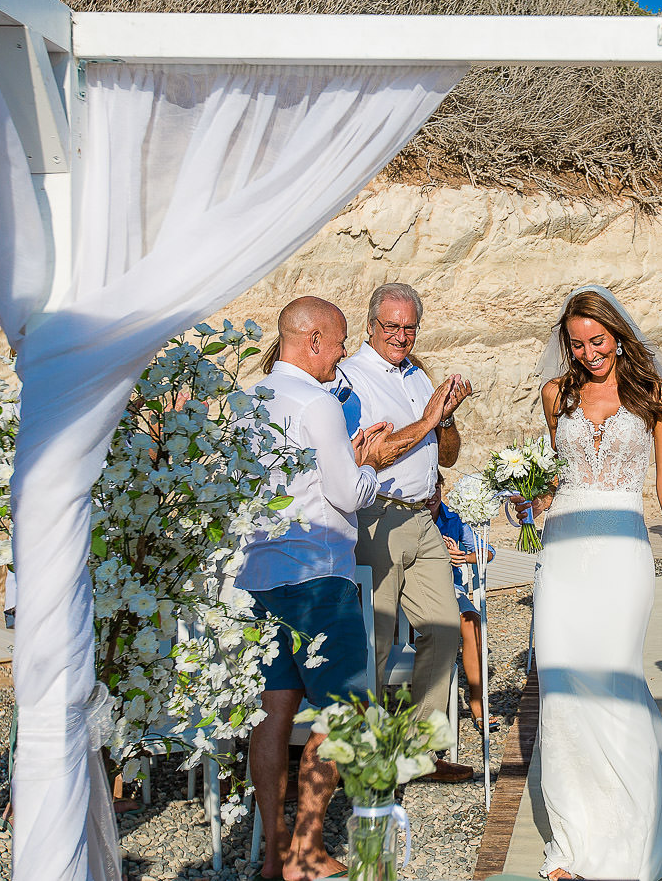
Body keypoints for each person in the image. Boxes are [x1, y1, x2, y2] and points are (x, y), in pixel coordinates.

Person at [522, 284, 662, 881]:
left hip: (624, 548)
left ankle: (634, 827)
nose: (588, 353)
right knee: (562, 679)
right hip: (563, 551)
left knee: (616, 677)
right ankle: (573, 839)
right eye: (576, 345)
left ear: (618, 336)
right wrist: (523, 497)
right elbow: (549, 478)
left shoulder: (656, 395)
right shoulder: (555, 395)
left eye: (597, 340)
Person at [236, 296, 397, 881]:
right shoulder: (320, 403)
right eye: (338, 344)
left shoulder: (244, 401)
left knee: (272, 714)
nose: (341, 357)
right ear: (310, 342)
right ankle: (306, 846)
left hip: (257, 579)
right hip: (316, 577)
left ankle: (276, 852)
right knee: (348, 711)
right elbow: (346, 494)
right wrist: (370, 464)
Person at [339, 282, 476, 783]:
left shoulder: (419, 373)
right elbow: (370, 455)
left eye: (409, 326)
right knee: (374, 640)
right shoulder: (350, 379)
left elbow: (448, 452)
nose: (400, 335)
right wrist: (427, 419)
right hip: (378, 517)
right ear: (371, 324)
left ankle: (420, 751)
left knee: (443, 630)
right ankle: (364, 757)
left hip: (422, 516)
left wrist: (446, 420)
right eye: (391, 326)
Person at [426, 480, 498, 732]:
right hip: (416, 591)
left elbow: (487, 551)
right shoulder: (410, 518)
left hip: (450, 589)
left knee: (472, 622)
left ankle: (477, 703)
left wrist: (463, 557)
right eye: (427, 488)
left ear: (441, 488)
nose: (432, 494)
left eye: (436, 487)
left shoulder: (454, 519)